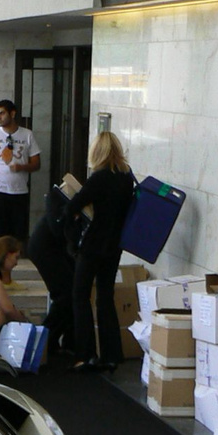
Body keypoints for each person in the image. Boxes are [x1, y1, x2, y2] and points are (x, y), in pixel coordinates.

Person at [65, 131, 136, 373]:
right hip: (115, 245)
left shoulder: (98, 178)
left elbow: (72, 206)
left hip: (93, 244)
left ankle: (86, 354)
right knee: (105, 297)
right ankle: (112, 354)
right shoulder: (126, 178)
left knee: (80, 295)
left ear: (97, 152)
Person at [0, 99, 40, 244]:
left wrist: (22, 167)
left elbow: (36, 163)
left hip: (18, 191)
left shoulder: (27, 135)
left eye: (2, 113)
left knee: (16, 231)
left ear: (12, 114)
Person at [27, 185, 77, 357]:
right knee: (65, 293)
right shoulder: (62, 202)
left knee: (70, 292)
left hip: (51, 247)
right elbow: (58, 227)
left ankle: (62, 340)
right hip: (45, 248)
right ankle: (47, 340)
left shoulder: (62, 200)